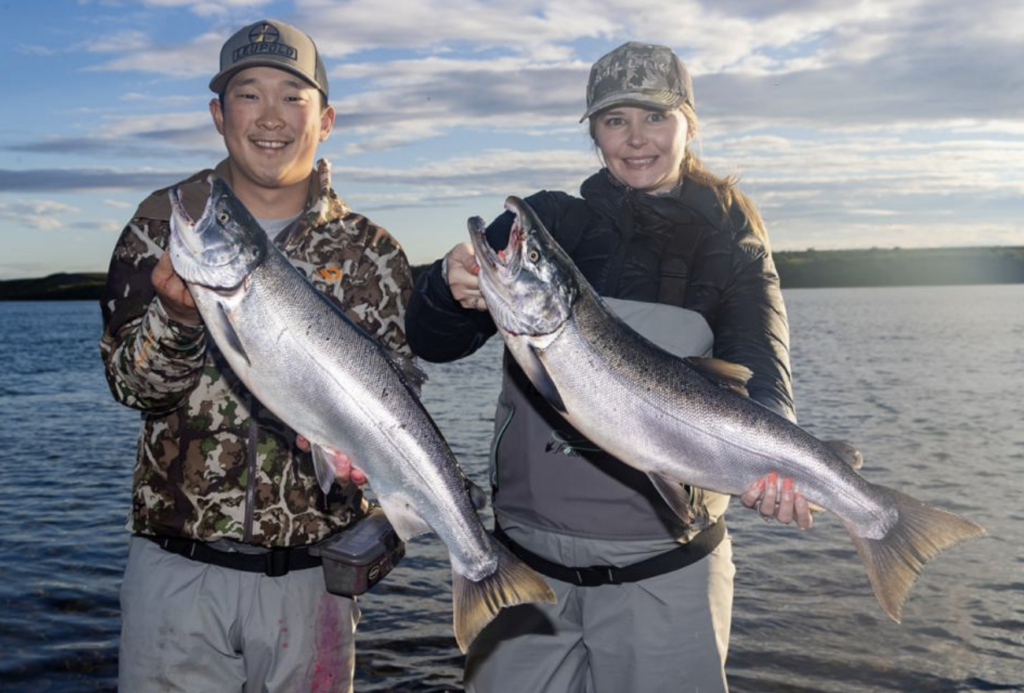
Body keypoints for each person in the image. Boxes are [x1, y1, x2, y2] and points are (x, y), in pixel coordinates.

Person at [404, 42, 813, 692]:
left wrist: (777, 475)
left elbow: (765, 391)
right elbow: (432, 341)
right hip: (522, 571)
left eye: (654, 116)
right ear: (593, 132)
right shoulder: (546, 224)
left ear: (688, 122)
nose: (636, 138)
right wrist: (443, 287)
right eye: (615, 119)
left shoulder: (733, 252)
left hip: (666, 575)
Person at [99, 19, 413, 692]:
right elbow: (132, 384)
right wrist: (178, 318)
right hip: (176, 572)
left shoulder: (375, 252)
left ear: (324, 119)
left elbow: (394, 400)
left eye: (292, 96)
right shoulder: (164, 221)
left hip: (311, 583)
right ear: (218, 114)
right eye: (248, 94)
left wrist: (366, 464)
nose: (271, 117)